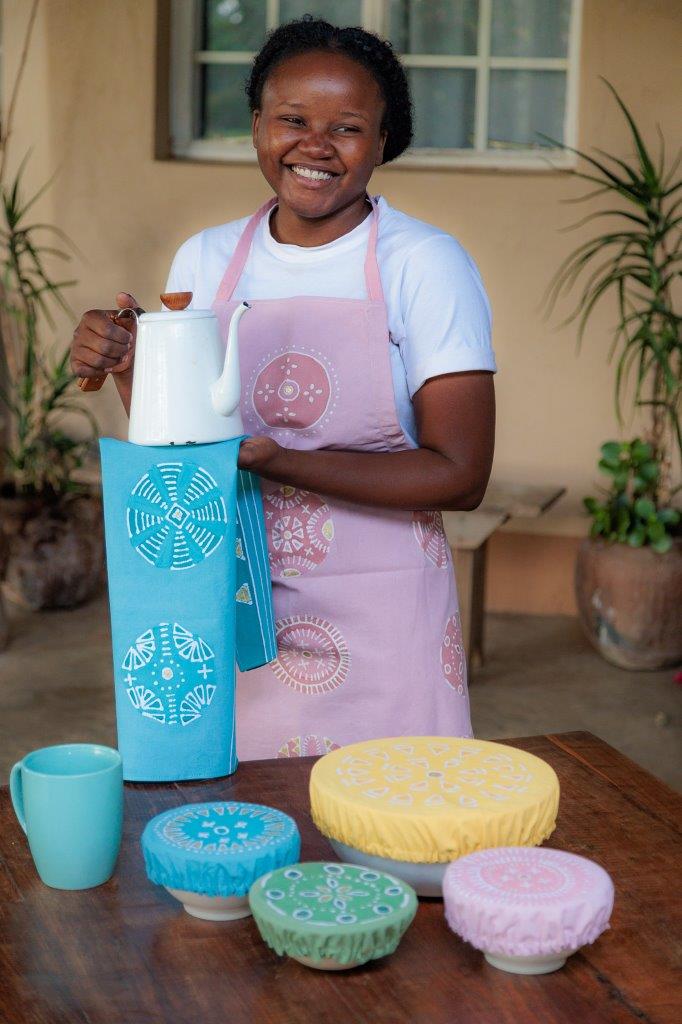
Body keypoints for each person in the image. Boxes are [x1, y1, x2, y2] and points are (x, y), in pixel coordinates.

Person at [71, 17, 496, 761]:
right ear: (259, 125)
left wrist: (279, 460)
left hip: (384, 616)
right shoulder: (205, 259)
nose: (316, 146)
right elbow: (182, 447)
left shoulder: (424, 265)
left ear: (383, 140)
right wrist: (130, 363)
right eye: (293, 119)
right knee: (248, 832)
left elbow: (460, 475)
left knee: (387, 830)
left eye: (348, 127)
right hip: (238, 606)